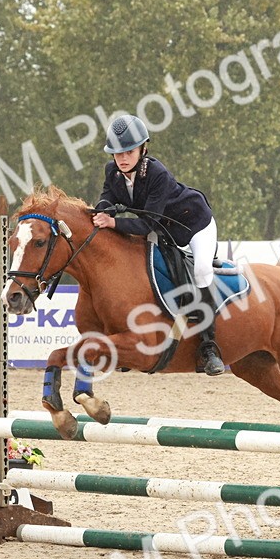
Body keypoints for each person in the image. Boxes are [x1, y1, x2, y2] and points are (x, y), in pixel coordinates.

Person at [92, 114, 225, 376]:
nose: (122, 158)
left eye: (129, 151)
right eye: (117, 153)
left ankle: (209, 347)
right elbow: (106, 199)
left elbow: (147, 225)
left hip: (194, 226)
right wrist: (101, 212)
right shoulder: (113, 172)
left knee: (200, 271)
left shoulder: (157, 174)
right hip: (164, 232)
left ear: (143, 149)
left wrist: (112, 223)